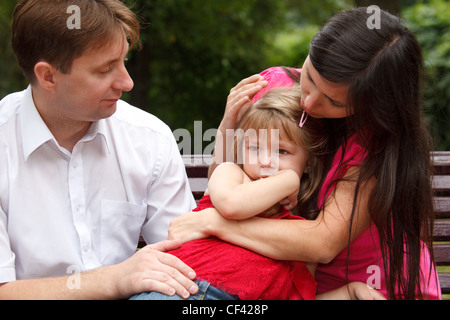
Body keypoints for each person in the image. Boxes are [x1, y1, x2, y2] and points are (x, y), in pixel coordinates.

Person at [168, 7, 442, 299]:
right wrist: (228, 125)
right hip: (284, 283)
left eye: (334, 102)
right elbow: (228, 178)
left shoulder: (375, 142)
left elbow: (322, 243)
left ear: (372, 105)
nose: (309, 101)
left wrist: (216, 223)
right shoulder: (275, 87)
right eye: (310, 76)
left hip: (372, 287)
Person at [0, 0, 199, 299]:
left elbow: (185, 265)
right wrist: (114, 279)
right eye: (106, 69)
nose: (127, 82)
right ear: (48, 76)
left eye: (124, 62)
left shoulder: (149, 138)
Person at [132, 87, 384, 300]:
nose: (265, 161)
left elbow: (296, 295)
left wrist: (350, 293)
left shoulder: (299, 233)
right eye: (255, 148)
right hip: (179, 290)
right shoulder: (231, 175)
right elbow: (231, 205)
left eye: (282, 152)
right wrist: (288, 178)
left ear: (309, 161)